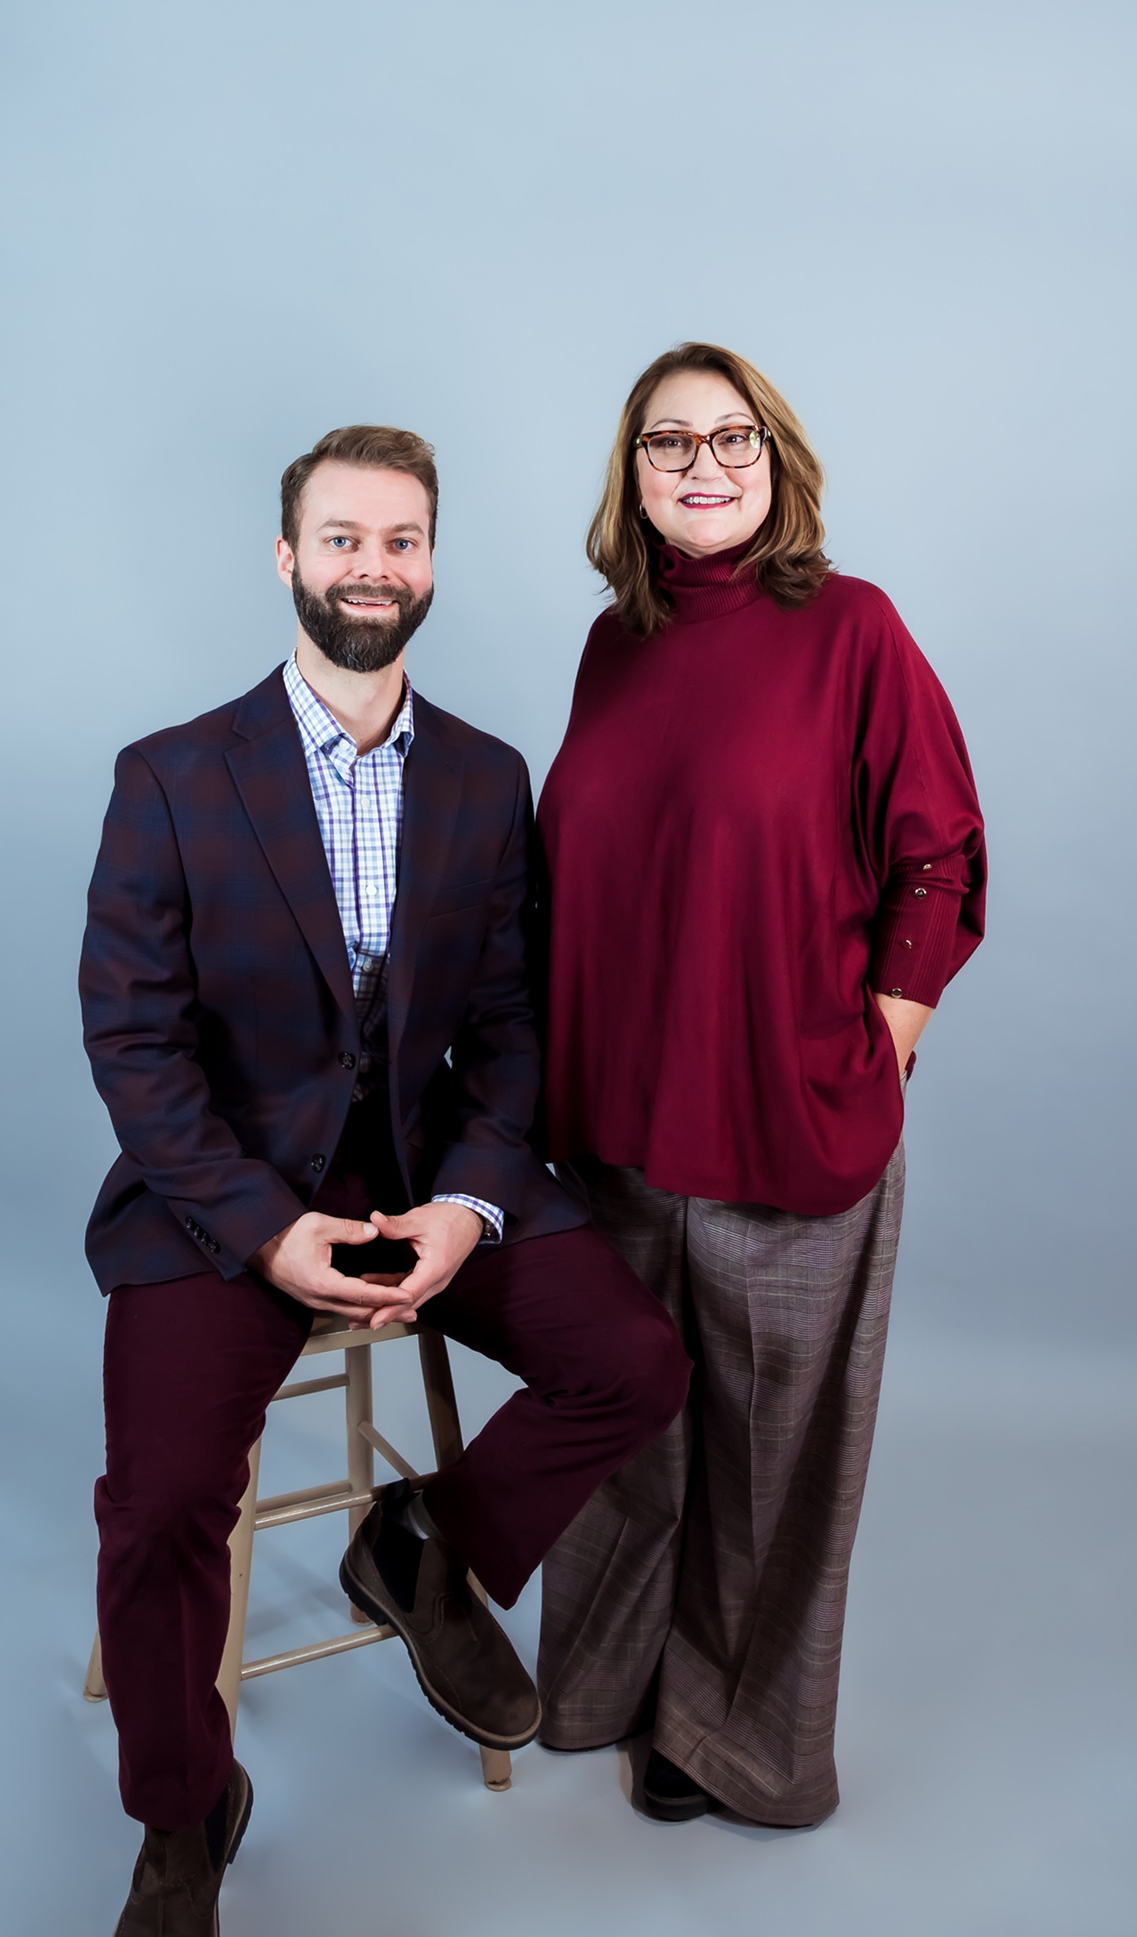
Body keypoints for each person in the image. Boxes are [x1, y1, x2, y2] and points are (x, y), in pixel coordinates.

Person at [80, 423, 690, 1934]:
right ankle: (184, 1809)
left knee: (637, 1361)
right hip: (225, 1196)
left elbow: (509, 1027)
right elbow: (136, 1047)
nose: (374, 566)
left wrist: (470, 1205)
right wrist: (263, 1231)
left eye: (401, 540)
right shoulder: (171, 776)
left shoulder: (485, 777)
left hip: (429, 1173)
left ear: (431, 563)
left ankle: (421, 1548)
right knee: (159, 1506)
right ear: (287, 557)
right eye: (344, 538)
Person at [534, 344, 986, 1829]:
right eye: (669, 442)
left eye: (733, 437)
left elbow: (939, 851)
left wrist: (882, 1038)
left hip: (785, 1116)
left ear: (777, 460)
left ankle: (729, 1739)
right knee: (624, 1432)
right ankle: (601, 1681)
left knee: (766, 1464)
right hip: (618, 1125)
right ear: (633, 474)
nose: (703, 466)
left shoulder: (852, 629)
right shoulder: (614, 642)